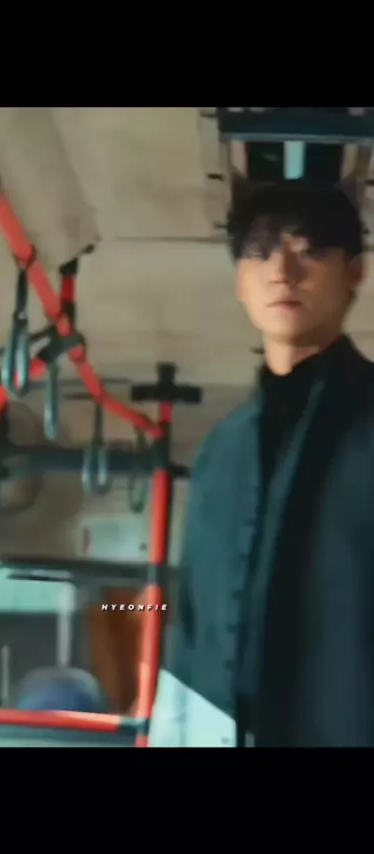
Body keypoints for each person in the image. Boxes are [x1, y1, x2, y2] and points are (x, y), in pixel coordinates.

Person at [149, 178, 374, 747]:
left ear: (355, 273)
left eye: (310, 250)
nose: (283, 272)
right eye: (261, 252)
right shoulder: (219, 453)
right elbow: (192, 633)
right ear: (240, 282)